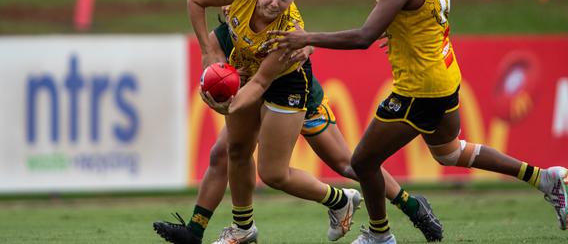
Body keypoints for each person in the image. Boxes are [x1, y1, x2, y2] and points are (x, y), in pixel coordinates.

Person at [266, 0, 568, 244]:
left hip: (419, 88)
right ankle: (543, 178)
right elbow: (424, 21)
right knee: (450, 153)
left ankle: (379, 236)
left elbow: (363, 37)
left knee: (363, 161)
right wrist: (397, 33)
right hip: (445, 77)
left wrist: (306, 37)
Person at [153, 17, 442, 244]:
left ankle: (412, 206)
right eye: (228, 7)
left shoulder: (276, 19)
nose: (232, 10)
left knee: (348, 164)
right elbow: (213, 49)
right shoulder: (227, 30)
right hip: (256, 98)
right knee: (225, 153)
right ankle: (201, 230)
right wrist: (221, 73)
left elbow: (304, 43)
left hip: (296, 99)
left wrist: (306, 46)